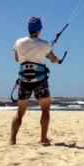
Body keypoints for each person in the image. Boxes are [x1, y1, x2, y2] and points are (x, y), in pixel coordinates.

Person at [10, 17, 60, 145]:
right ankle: (43, 138)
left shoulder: (18, 43)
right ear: (39, 30)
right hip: (40, 81)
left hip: (24, 81)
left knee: (20, 112)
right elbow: (53, 59)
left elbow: (17, 59)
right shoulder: (45, 44)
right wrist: (56, 59)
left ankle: (13, 140)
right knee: (45, 109)